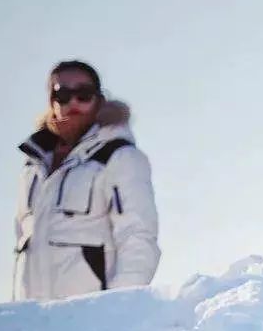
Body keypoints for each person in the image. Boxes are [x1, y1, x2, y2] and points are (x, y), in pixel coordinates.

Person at [14, 60, 160, 300]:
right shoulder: (33, 168)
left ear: (99, 99)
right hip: (32, 322)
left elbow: (138, 236)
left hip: (90, 320)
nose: (73, 102)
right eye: (63, 95)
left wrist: (118, 306)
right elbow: (21, 242)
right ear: (52, 102)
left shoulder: (119, 158)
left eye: (83, 94)